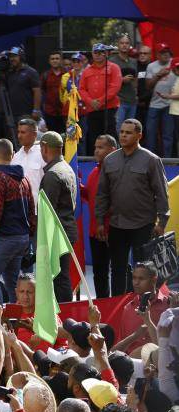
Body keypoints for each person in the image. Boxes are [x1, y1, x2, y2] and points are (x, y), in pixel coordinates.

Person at [96, 119, 169, 296]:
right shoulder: (110, 160)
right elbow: (102, 194)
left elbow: (161, 193)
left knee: (143, 271)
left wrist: (162, 223)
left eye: (128, 133)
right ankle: (118, 307)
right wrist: (99, 221)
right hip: (117, 224)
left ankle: (142, 308)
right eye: (121, 132)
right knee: (118, 270)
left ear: (139, 135)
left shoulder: (151, 160)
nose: (123, 135)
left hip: (143, 225)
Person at [0, 138, 36, 304]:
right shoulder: (24, 180)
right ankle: (15, 321)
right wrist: (29, 237)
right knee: (12, 282)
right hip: (22, 239)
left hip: (5, 238)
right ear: (13, 155)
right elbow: (32, 212)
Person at [40, 131, 77, 303]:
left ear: (44, 147)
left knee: (58, 278)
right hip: (66, 230)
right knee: (62, 276)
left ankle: (63, 314)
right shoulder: (66, 167)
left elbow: (47, 212)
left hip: (56, 233)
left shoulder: (52, 175)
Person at [0, 46, 42, 149]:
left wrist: (36, 110)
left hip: (25, 113)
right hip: (10, 114)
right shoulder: (9, 73)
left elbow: (37, 91)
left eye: (15, 56)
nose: (12, 59)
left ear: (21, 57)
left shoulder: (31, 72)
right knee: (11, 140)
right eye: (10, 57)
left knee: (24, 140)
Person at [83, 135, 118, 298]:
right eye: (96, 147)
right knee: (99, 272)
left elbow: (117, 201)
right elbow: (90, 197)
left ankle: (121, 303)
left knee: (119, 269)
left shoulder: (116, 171)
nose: (96, 150)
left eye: (101, 147)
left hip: (112, 229)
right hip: (95, 230)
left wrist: (103, 223)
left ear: (113, 150)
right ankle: (103, 303)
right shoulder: (95, 171)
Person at [80, 43, 122, 156]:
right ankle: (96, 158)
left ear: (106, 54)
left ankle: (116, 157)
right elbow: (82, 89)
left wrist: (100, 101)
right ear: (92, 54)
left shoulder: (114, 67)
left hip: (109, 108)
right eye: (95, 53)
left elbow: (115, 87)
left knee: (111, 134)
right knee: (94, 135)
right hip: (92, 109)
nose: (98, 55)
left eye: (101, 53)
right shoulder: (87, 71)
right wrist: (90, 101)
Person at [118, 261, 170, 352]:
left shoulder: (169, 307)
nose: (136, 283)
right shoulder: (128, 308)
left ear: (154, 280)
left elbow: (169, 349)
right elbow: (118, 350)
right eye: (134, 278)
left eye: (141, 279)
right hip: (131, 363)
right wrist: (134, 336)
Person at [11, 274, 67, 352]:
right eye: (22, 292)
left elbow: (63, 344)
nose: (25, 296)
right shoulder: (10, 314)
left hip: (47, 361)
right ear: (16, 292)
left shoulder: (49, 314)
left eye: (29, 292)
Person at [146, 43, 177, 157]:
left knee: (168, 135)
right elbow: (148, 86)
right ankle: (151, 160)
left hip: (170, 104)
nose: (166, 55)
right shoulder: (151, 66)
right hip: (154, 104)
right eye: (162, 52)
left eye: (167, 52)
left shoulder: (175, 63)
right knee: (150, 134)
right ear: (157, 55)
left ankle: (167, 160)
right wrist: (158, 75)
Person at [11, 118, 47, 211]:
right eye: (18, 132)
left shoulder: (44, 155)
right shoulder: (15, 157)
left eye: (23, 132)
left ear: (34, 134)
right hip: (20, 212)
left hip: (39, 210)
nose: (19, 136)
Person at [111, 34, 139, 131]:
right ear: (118, 45)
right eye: (122, 43)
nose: (124, 45)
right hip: (119, 101)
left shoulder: (134, 61)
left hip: (132, 101)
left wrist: (136, 94)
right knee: (119, 129)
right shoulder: (112, 61)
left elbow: (136, 79)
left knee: (130, 130)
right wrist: (122, 80)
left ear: (130, 45)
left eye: (127, 43)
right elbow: (109, 82)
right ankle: (119, 147)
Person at [41, 50, 66, 134]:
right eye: (52, 59)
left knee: (65, 137)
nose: (55, 60)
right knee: (51, 137)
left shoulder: (67, 74)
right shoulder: (45, 75)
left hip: (65, 112)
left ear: (61, 60)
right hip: (49, 112)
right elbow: (41, 92)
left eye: (57, 58)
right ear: (49, 61)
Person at [157, 58, 179, 145]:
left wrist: (167, 96)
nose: (177, 70)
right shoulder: (176, 78)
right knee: (175, 135)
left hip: (177, 112)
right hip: (174, 111)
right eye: (176, 68)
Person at [136, 45, 153, 128]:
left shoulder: (154, 67)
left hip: (149, 104)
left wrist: (143, 99)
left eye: (145, 53)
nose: (142, 55)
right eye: (140, 53)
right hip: (135, 104)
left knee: (149, 128)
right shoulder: (135, 66)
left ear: (150, 55)